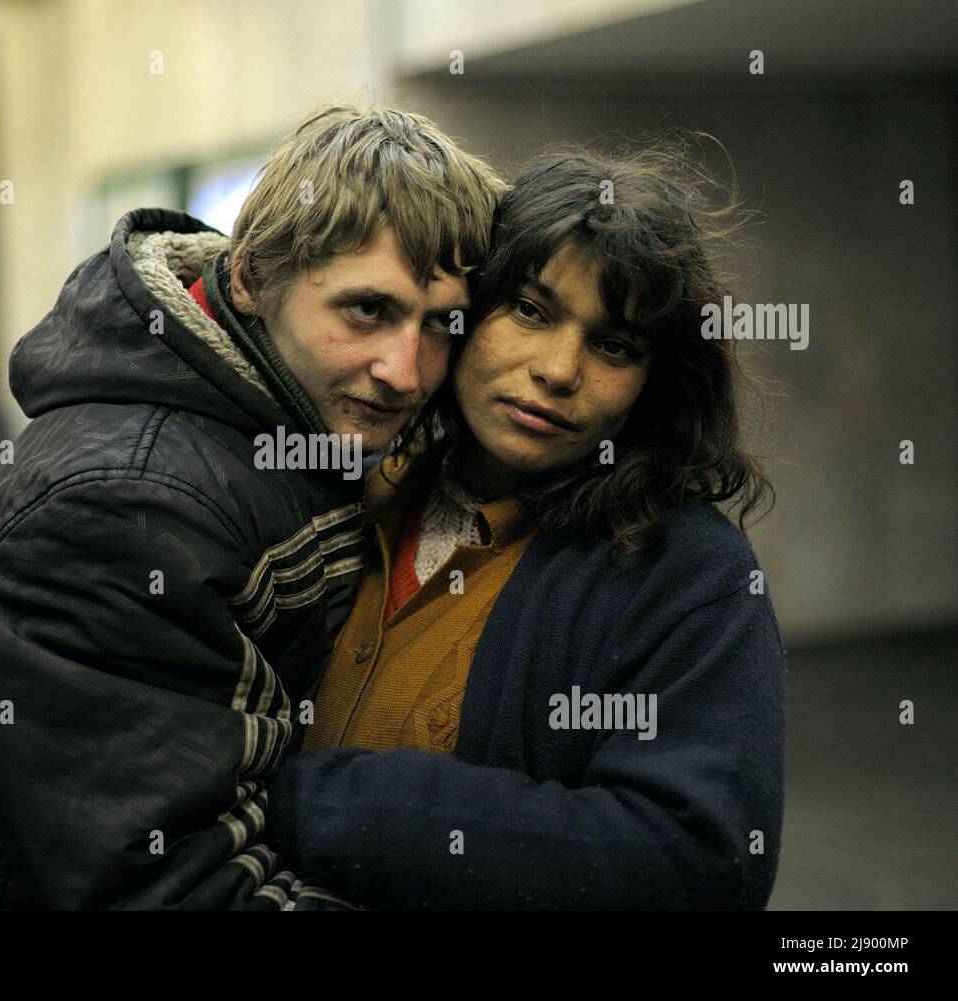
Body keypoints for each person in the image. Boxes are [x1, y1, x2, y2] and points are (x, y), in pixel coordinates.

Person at [0, 104, 505, 909]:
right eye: (366, 310)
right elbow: (177, 890)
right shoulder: (118, 508)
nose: (405, 371)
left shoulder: (299, 420)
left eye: (441, 324)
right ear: (249, 279)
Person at [263, 143, 786, 910]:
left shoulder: (686, 571)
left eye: (613, 343)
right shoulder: (353, 480)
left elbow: (697, 861)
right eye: (531, 311)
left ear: (654, 382)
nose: (559, 368)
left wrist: (342, 803)